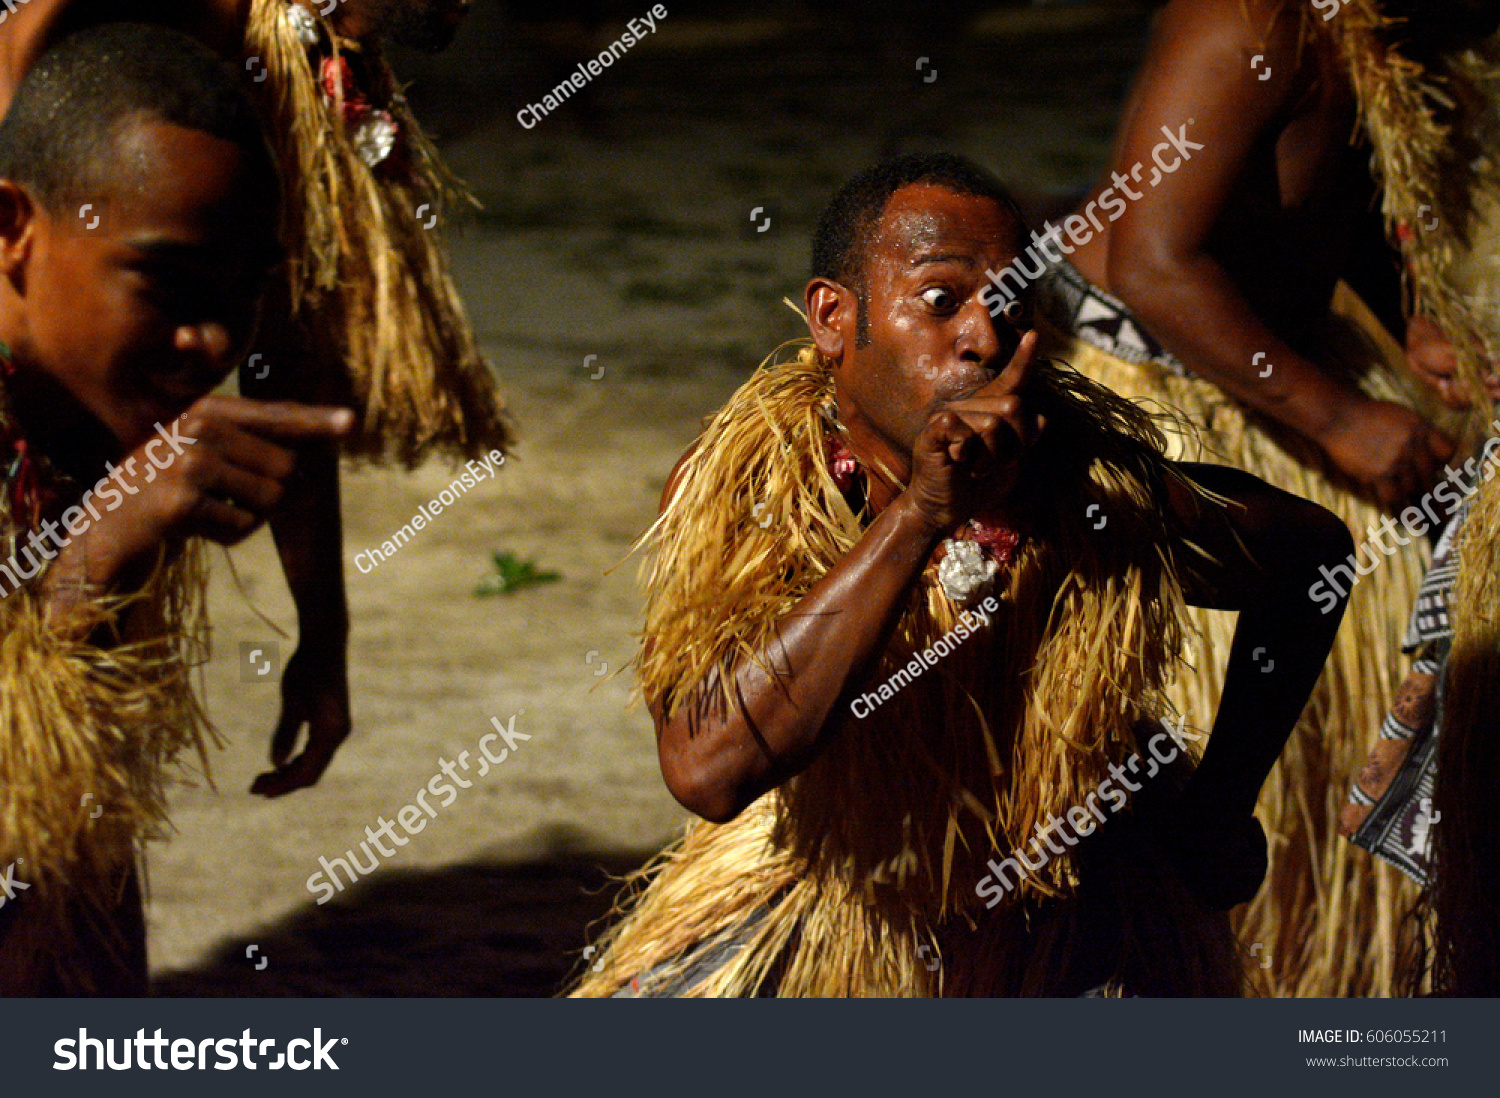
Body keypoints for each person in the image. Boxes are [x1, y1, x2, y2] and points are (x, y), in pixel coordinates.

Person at [571, 154, 1354, 997]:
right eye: (941, 302)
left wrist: (1223, 797)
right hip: (841, 898)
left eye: (1012, 303)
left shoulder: (1085, 486)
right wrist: (921, 518)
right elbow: (707, 769)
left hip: (1072, 922)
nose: (985, 336)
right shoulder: (755, 486)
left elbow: (1313, 555)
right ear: (834, 319)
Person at [1024, 0, 1500, 997]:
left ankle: (1351, 988)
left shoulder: (1375, 34)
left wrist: (1410, 318)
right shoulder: (1254, 21)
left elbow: (1319, 189)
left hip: (1282, 356)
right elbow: (1155, 263)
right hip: (1159, 384)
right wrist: (1338, 421)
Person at [0, 0, 513, 801]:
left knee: (76, 816)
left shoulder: (293, 42)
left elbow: (284, 341)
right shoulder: (60, 37)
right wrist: (98, 542)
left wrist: (322, 630)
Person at [0, 23, 353, 994]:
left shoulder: (89, 391)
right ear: (13, 231)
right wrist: (97, 549)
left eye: (236, 295)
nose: (205, 343)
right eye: (162, 282)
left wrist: (323, 631)